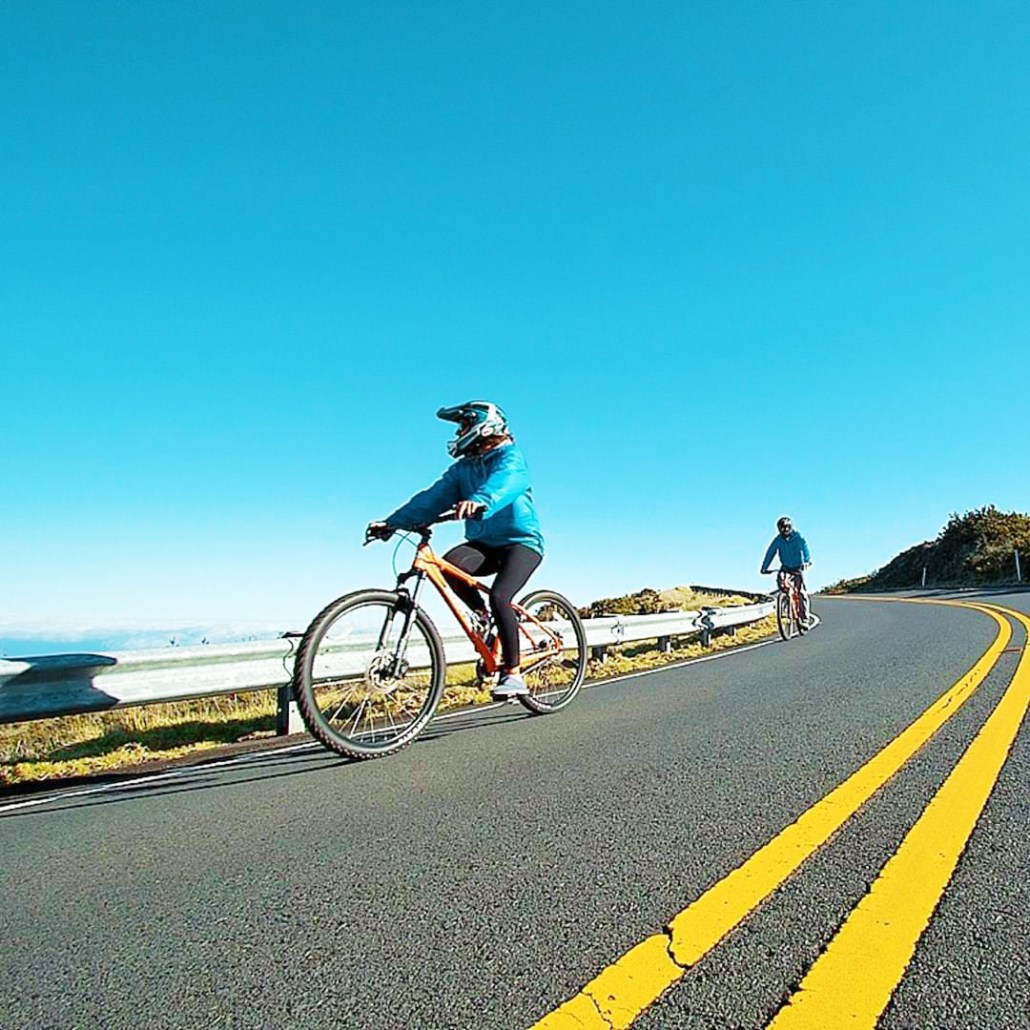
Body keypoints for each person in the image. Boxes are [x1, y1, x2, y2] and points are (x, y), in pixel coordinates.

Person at [366, 401, 544, 699]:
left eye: (462, 425)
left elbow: (508, 481)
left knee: (501, 596)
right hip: (484, 544)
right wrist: (392, 522)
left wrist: (481, 499)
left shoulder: (510, 457)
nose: (459, 432)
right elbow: (432, 498)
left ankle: (512, 673)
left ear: (481, 426)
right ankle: (482, 616)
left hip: (521, 542)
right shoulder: (462, 470)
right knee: (450, 565)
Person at [760, 515, 812, 629]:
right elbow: (770, 553)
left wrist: (807, 561)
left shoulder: (798, 537)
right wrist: (764, 567)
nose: (785, 530)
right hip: (786, 567)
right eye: (782, 528)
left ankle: (804, 618)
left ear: (790, 527)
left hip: (798, 567)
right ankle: (785, 601)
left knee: (801, 592)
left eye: (787, 527)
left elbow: (805, 548)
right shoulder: (778, 540)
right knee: (781, 580)